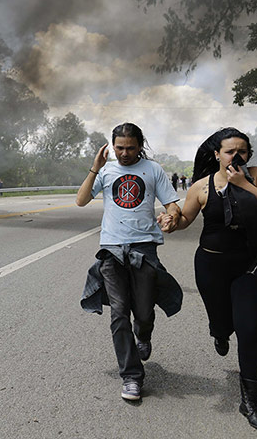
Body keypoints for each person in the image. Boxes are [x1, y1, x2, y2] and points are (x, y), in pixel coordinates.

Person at [160, 127, 257, 431]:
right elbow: (185, 219)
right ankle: (219, 331)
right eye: (229, 151)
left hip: (252, 265)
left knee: (250, 329)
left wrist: (244, 184)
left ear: (248, 153)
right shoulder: (201, 186)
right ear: (217, 154)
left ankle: (250, 400)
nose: (236, 156)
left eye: (242, 151)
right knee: (222, 321)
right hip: (211, 266)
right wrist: (172, 221)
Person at [77, 122, 182, 402]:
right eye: (119, 147)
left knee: (144, 313)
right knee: (119, 312)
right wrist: (95, 167)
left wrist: (170, 216)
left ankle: (143, 335)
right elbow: (81, 200)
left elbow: (172, 203)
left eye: (130, 147)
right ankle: (132, 376)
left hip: (144, 247)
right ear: (112, 146)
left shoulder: (153, 170)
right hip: (111, 249)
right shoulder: (106, 170)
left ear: (140, 145)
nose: (124, 153)